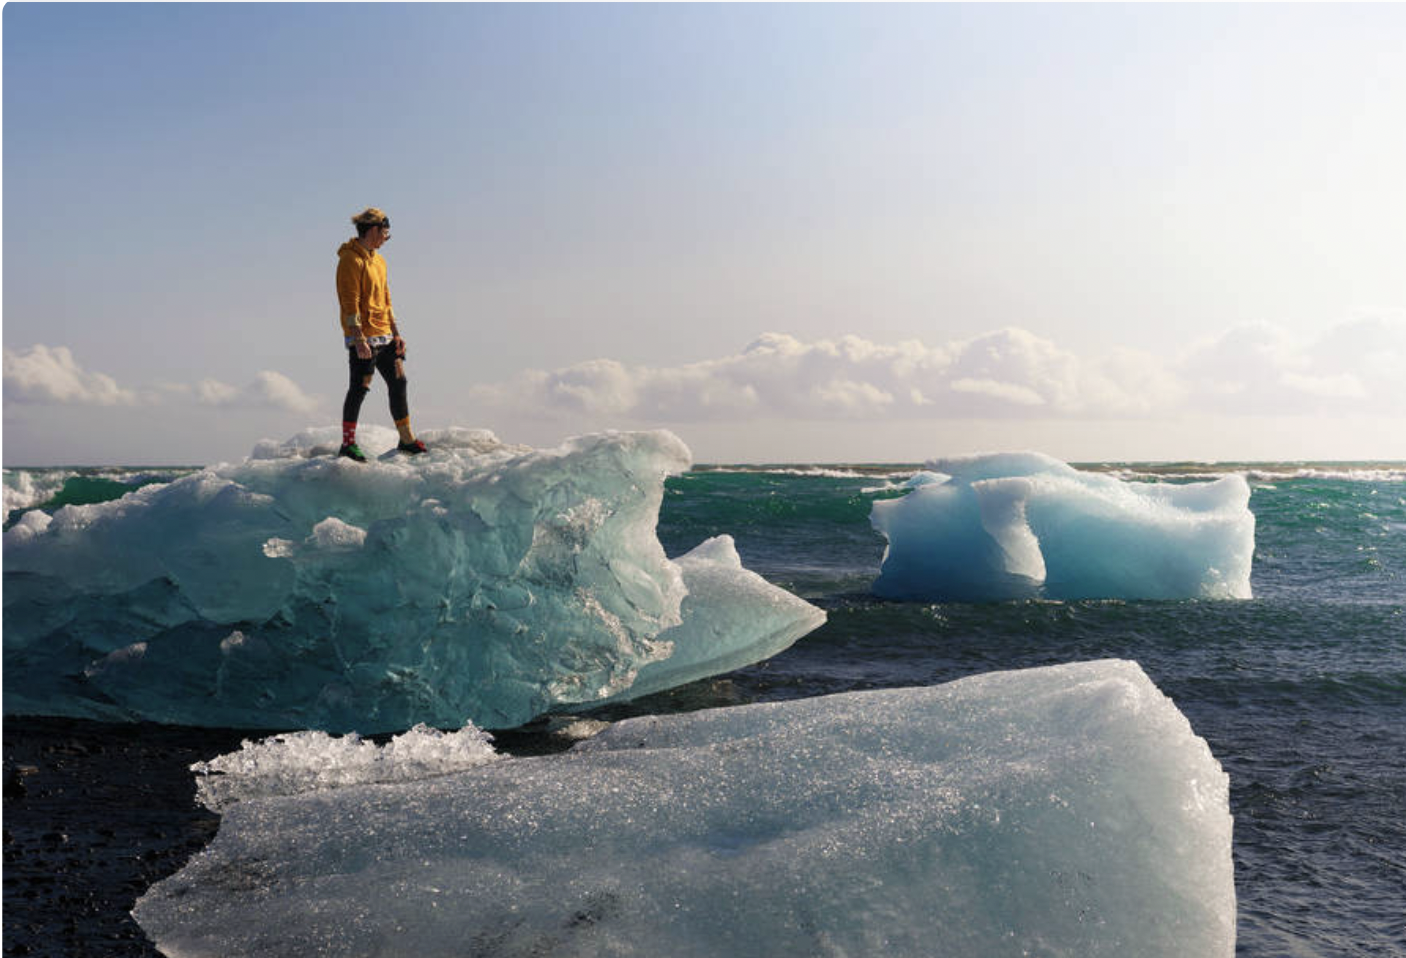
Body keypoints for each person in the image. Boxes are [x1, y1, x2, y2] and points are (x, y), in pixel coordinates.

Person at [335, 207, 426, 461]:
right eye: (386, 232)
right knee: (360, 387)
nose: (387, 238)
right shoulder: (350, 261)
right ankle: (347, 444)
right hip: (362, 338)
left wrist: (396, 332)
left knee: (399, 381)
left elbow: (386, 298)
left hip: (385, 335)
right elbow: (349, 302)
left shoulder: (379, 260)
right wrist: (358, 338)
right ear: (374, 230)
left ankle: (406, 439)